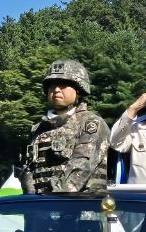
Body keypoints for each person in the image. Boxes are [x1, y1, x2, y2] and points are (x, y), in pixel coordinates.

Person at [22, 59, 109, 194]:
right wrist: (33, 204)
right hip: (39, 209)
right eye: (52, 86)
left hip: (80, 209)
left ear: (79, 90)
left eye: (63, 85)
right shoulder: (38, 129)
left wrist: (51, 203)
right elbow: (28, 171)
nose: (56, 90)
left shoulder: (91, 124)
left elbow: (80, 167)